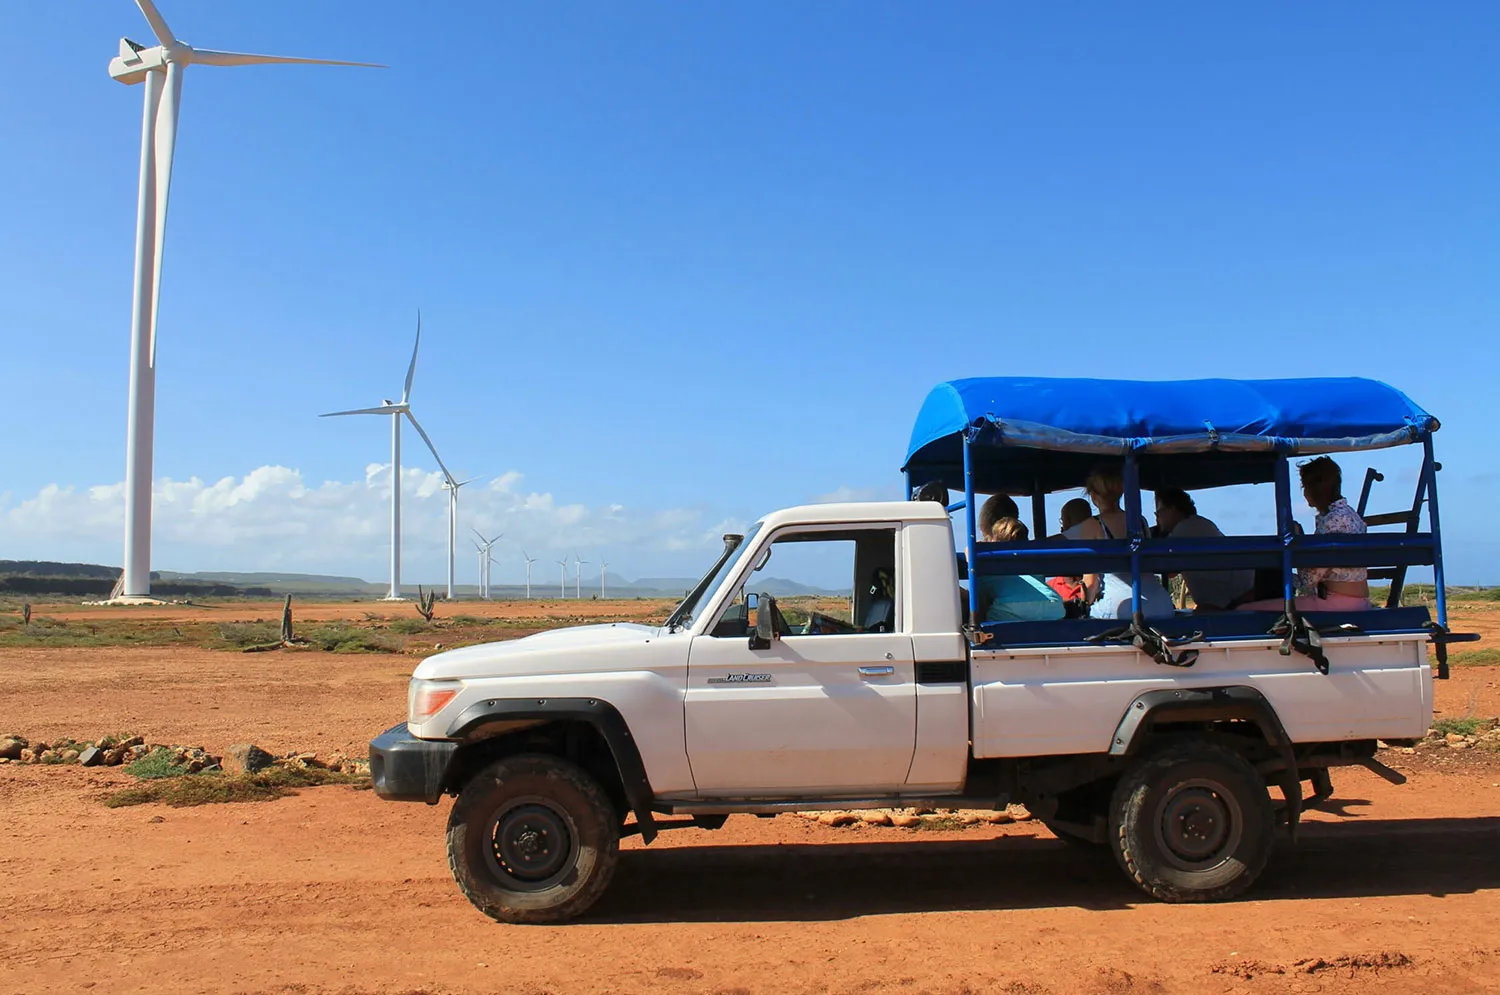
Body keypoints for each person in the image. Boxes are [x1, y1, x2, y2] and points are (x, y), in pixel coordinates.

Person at [1238, 457, 1372, 612]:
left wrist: (1297, 543)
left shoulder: (1334, 521)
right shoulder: (1349, 515)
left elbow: (1308, 580)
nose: (1304, 492)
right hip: (1354, 600)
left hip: (1336, 603)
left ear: (1315, 488)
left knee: (1244, 610)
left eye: (1304, 486)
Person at [1074, 463, 1175, 620]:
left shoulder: (1093, 524)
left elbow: (1091, 584)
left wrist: (1083, 603)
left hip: (1122, 608)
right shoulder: (1140, 521)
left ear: (1094, 496)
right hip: (1162, 604)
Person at [1153, 487, 1254, 611]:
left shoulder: (1186, 528)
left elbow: (1165, 568)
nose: (1157, 519)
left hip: (1232, 599)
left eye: (1159, 513)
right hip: (1230, 596)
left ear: (1172, 509)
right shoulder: (1195, 524)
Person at [975, 517, 1066, 623]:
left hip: (1010, 607)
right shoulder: (1033, 559)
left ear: (994, 541)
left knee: (987, 626)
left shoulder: (988, 564)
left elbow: (980, 602)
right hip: (1054, 605)